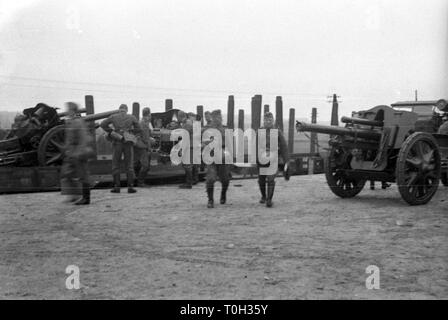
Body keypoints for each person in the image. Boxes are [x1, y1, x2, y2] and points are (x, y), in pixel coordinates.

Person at [100, 104, 141, 193]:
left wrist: (112, 132)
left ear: (119, 110)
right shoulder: (132, 117)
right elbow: (139, 129)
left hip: (117, 142)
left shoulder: (113, 116)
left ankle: (117, 187)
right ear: (126, 110)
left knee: (115, 165)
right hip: (128, 143)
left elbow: (102, 124)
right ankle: (130, 187)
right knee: (129, 165)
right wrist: (130, 133)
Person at [61, 102, 93, 205]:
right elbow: (69, 139)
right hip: (72, 153)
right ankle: (74, 195)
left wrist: (79, 152)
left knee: (83, 175)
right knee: (67, 173)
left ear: (73, 111)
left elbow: (83, 138)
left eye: (68, 110)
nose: (67, 111)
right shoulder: (72, 122)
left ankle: (86, 198)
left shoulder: (78, 122)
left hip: (79, 153)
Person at [257, 112, 289, 208]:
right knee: (261, 180)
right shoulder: (259, 131)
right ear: (263, 121)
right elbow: (255, 146)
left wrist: (286, 160)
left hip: (274, 158)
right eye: (266, 120)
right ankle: (263, 196)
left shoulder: (277, 132)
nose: (268, 122)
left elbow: (284, 147)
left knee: (271, 179)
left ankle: (269, 200)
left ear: (273, 121)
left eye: (270, 120)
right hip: (261, 158)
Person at [204, 110, 231, 208]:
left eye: (219, 118)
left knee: (225, 179)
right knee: (210, 179)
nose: (217, 120)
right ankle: (210, 200)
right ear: (212, 119)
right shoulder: (207, 129)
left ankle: (223, 194)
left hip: (223, 157)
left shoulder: (226, 129)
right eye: (215, 118)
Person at [134, 107, 153, 187]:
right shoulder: (144, 124)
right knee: (145, 166)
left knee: (139, 164)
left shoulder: (141, 122)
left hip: (138, 145)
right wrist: (149, 148)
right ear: (148, 114)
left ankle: (138, 179)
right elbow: (145, 138)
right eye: (150, 115)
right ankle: (140, 182)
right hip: (142, 146)